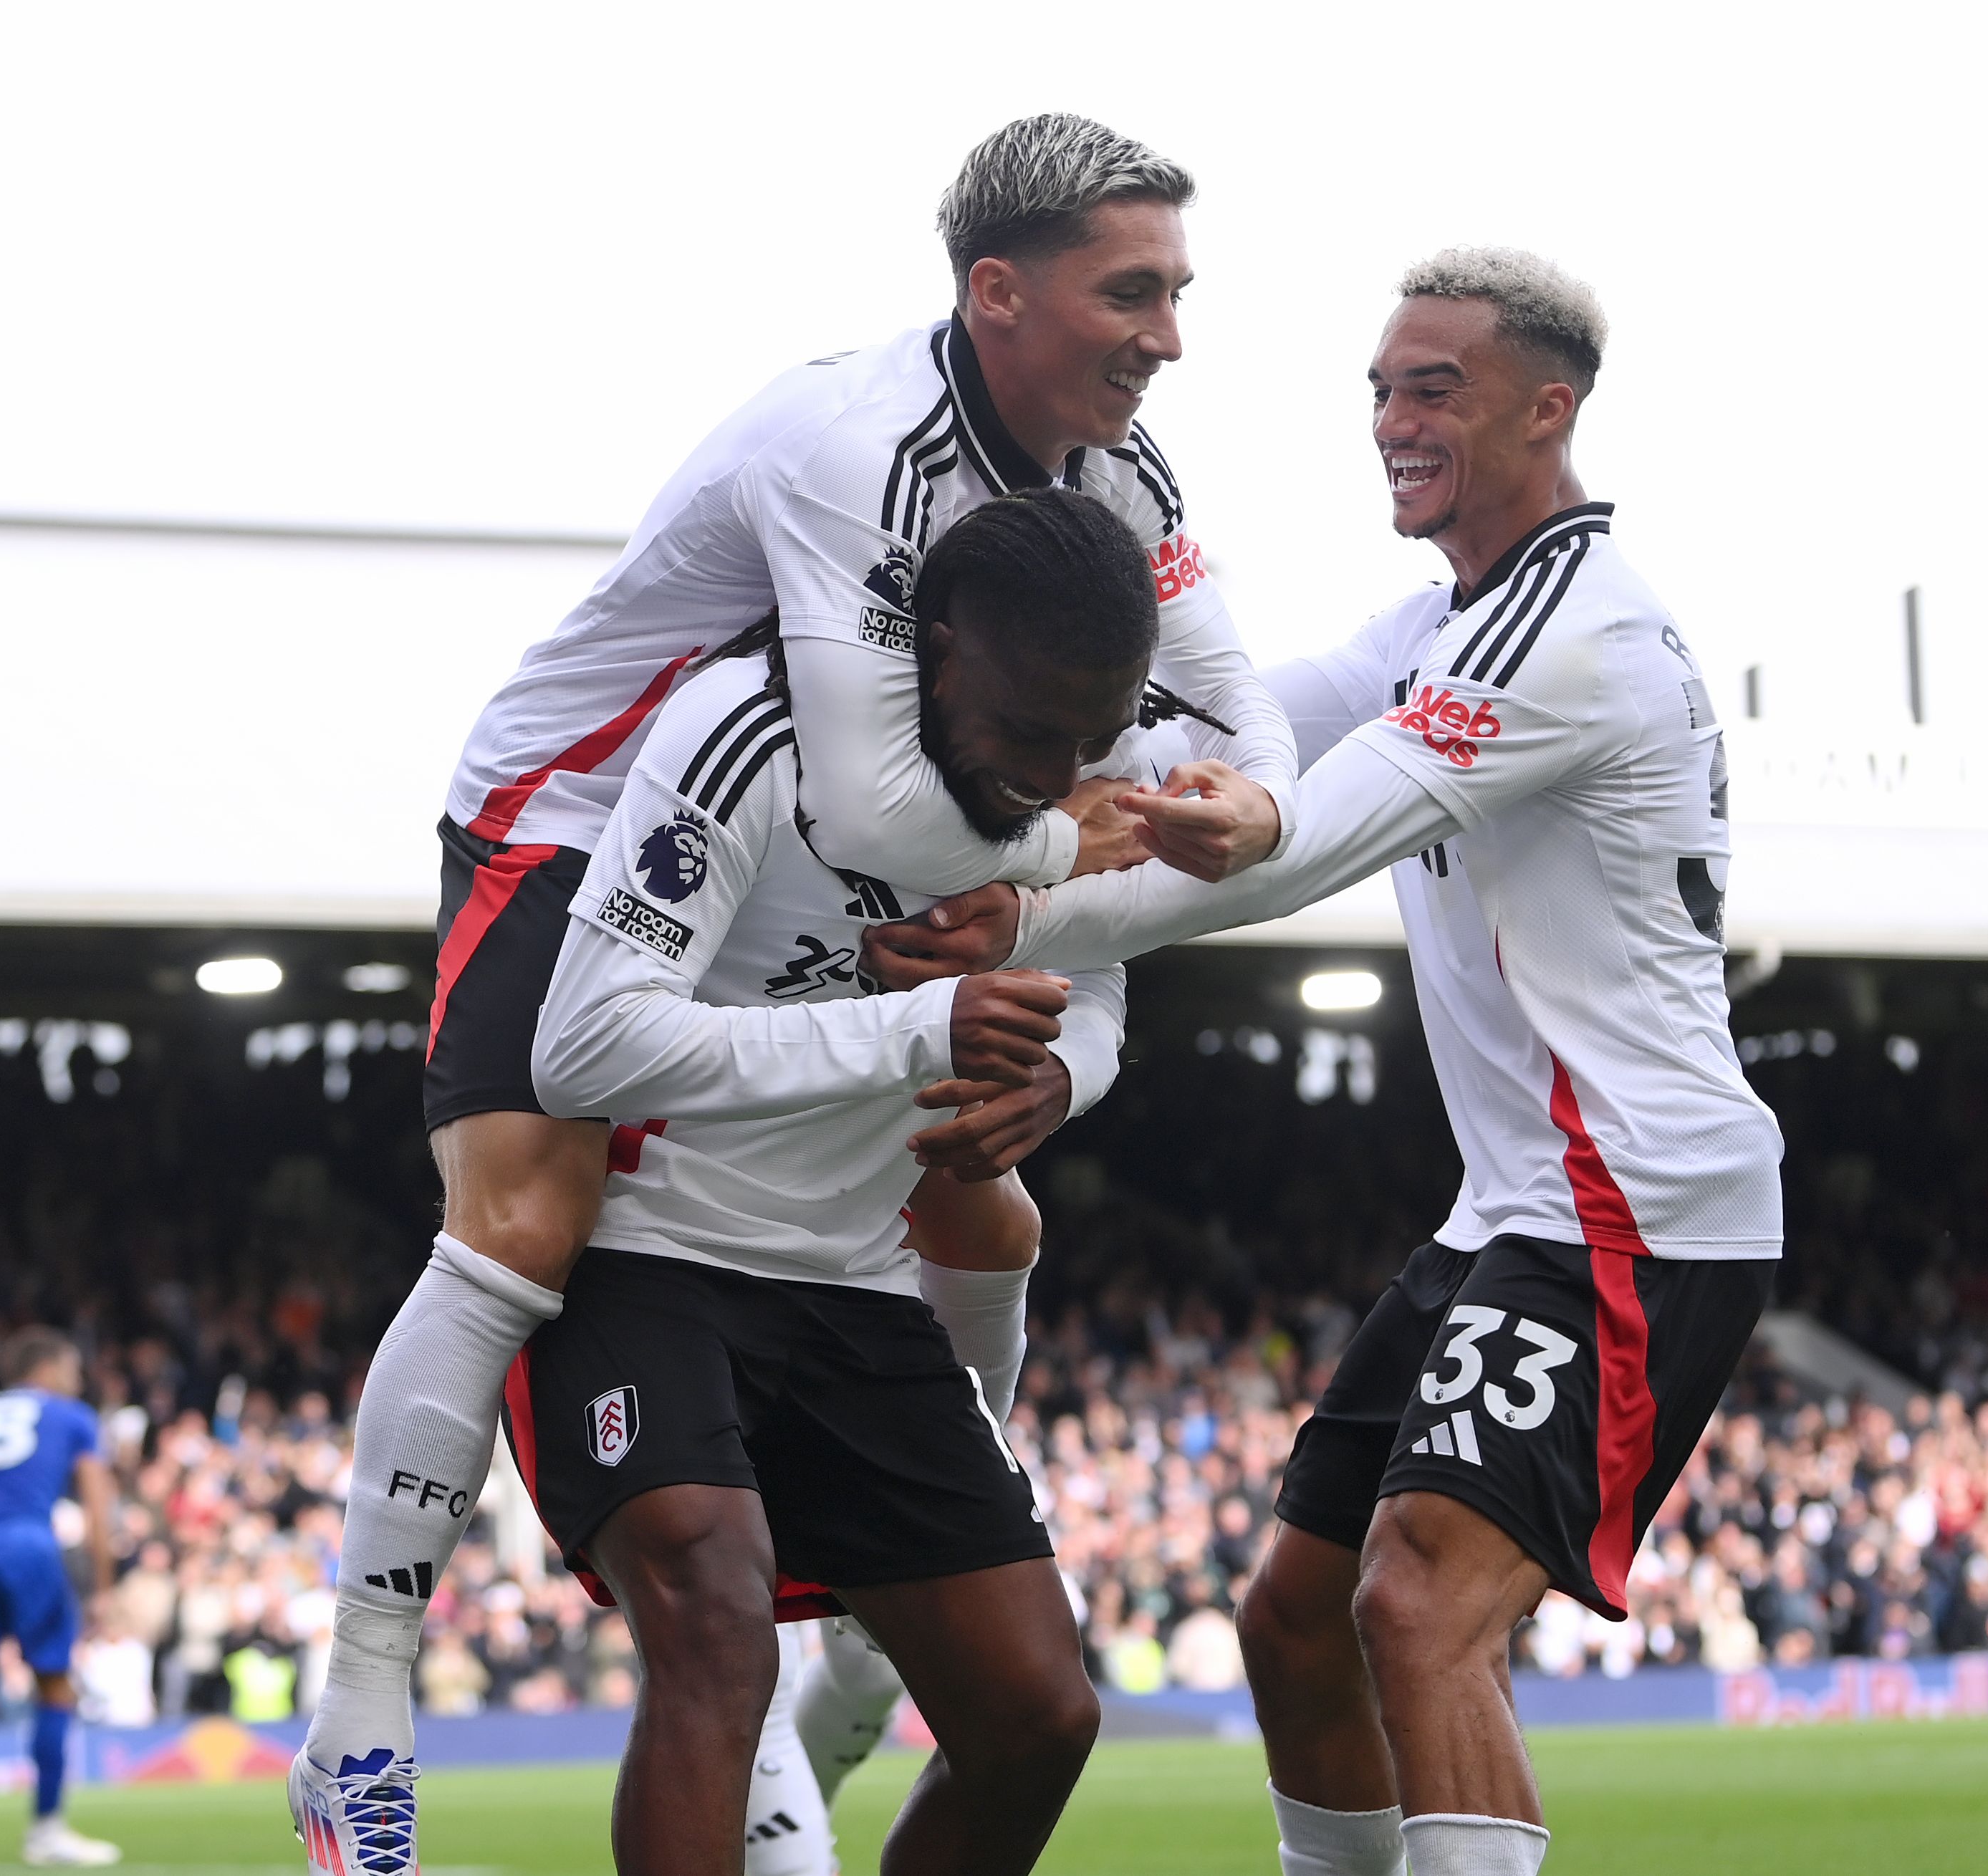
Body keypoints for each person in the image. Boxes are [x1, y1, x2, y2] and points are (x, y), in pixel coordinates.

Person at [299, 110, 1295, 1865]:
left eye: (1178, 292)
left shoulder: (1124, 489)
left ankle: (904, 1564)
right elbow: (872, 804)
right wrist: (1072, 856)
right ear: (999, 292)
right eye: (1129, 292)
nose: (1168, 335)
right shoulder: (859, 452)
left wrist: (1240, 814)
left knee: (978, 1210)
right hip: (598, 798)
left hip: (877, 850)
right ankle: (363, 1701)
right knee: (532, 1213)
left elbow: (1230, 730)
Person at [868, 251, 1785, 1876]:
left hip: (1633, 1208)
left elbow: (1298, 837)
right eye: (1380, 386)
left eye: (1435, 387)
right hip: (1517, 1210)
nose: (1393, 418)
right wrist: (1048, 736)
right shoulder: (1454, 619)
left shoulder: (1573, 637)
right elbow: (1259, 736)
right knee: (1296, 1617)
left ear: (1547, 408)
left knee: (1418, 1599)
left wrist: (1024, 899)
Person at [477, 488, 1143, 1876]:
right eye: (1031, 731)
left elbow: (1099, 967)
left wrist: (1058, 1075)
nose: (1055, 770)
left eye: (1092, 736)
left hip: (851, 1279)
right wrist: (915, 1025)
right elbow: (584, 1044)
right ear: (940, 649)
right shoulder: (751, 727)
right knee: (713, 1631)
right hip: (644, 1252)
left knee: (1036, 1712)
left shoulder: (1070, 758)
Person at [0, 1327, 123, 1868]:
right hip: (28, 1545)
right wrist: (103, 1587)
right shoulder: (72, 1415)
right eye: (73, 1370)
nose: (77, 1380)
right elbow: (97, 1506)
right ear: (52, 1368)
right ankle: (47, 1828)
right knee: (54, 1683)